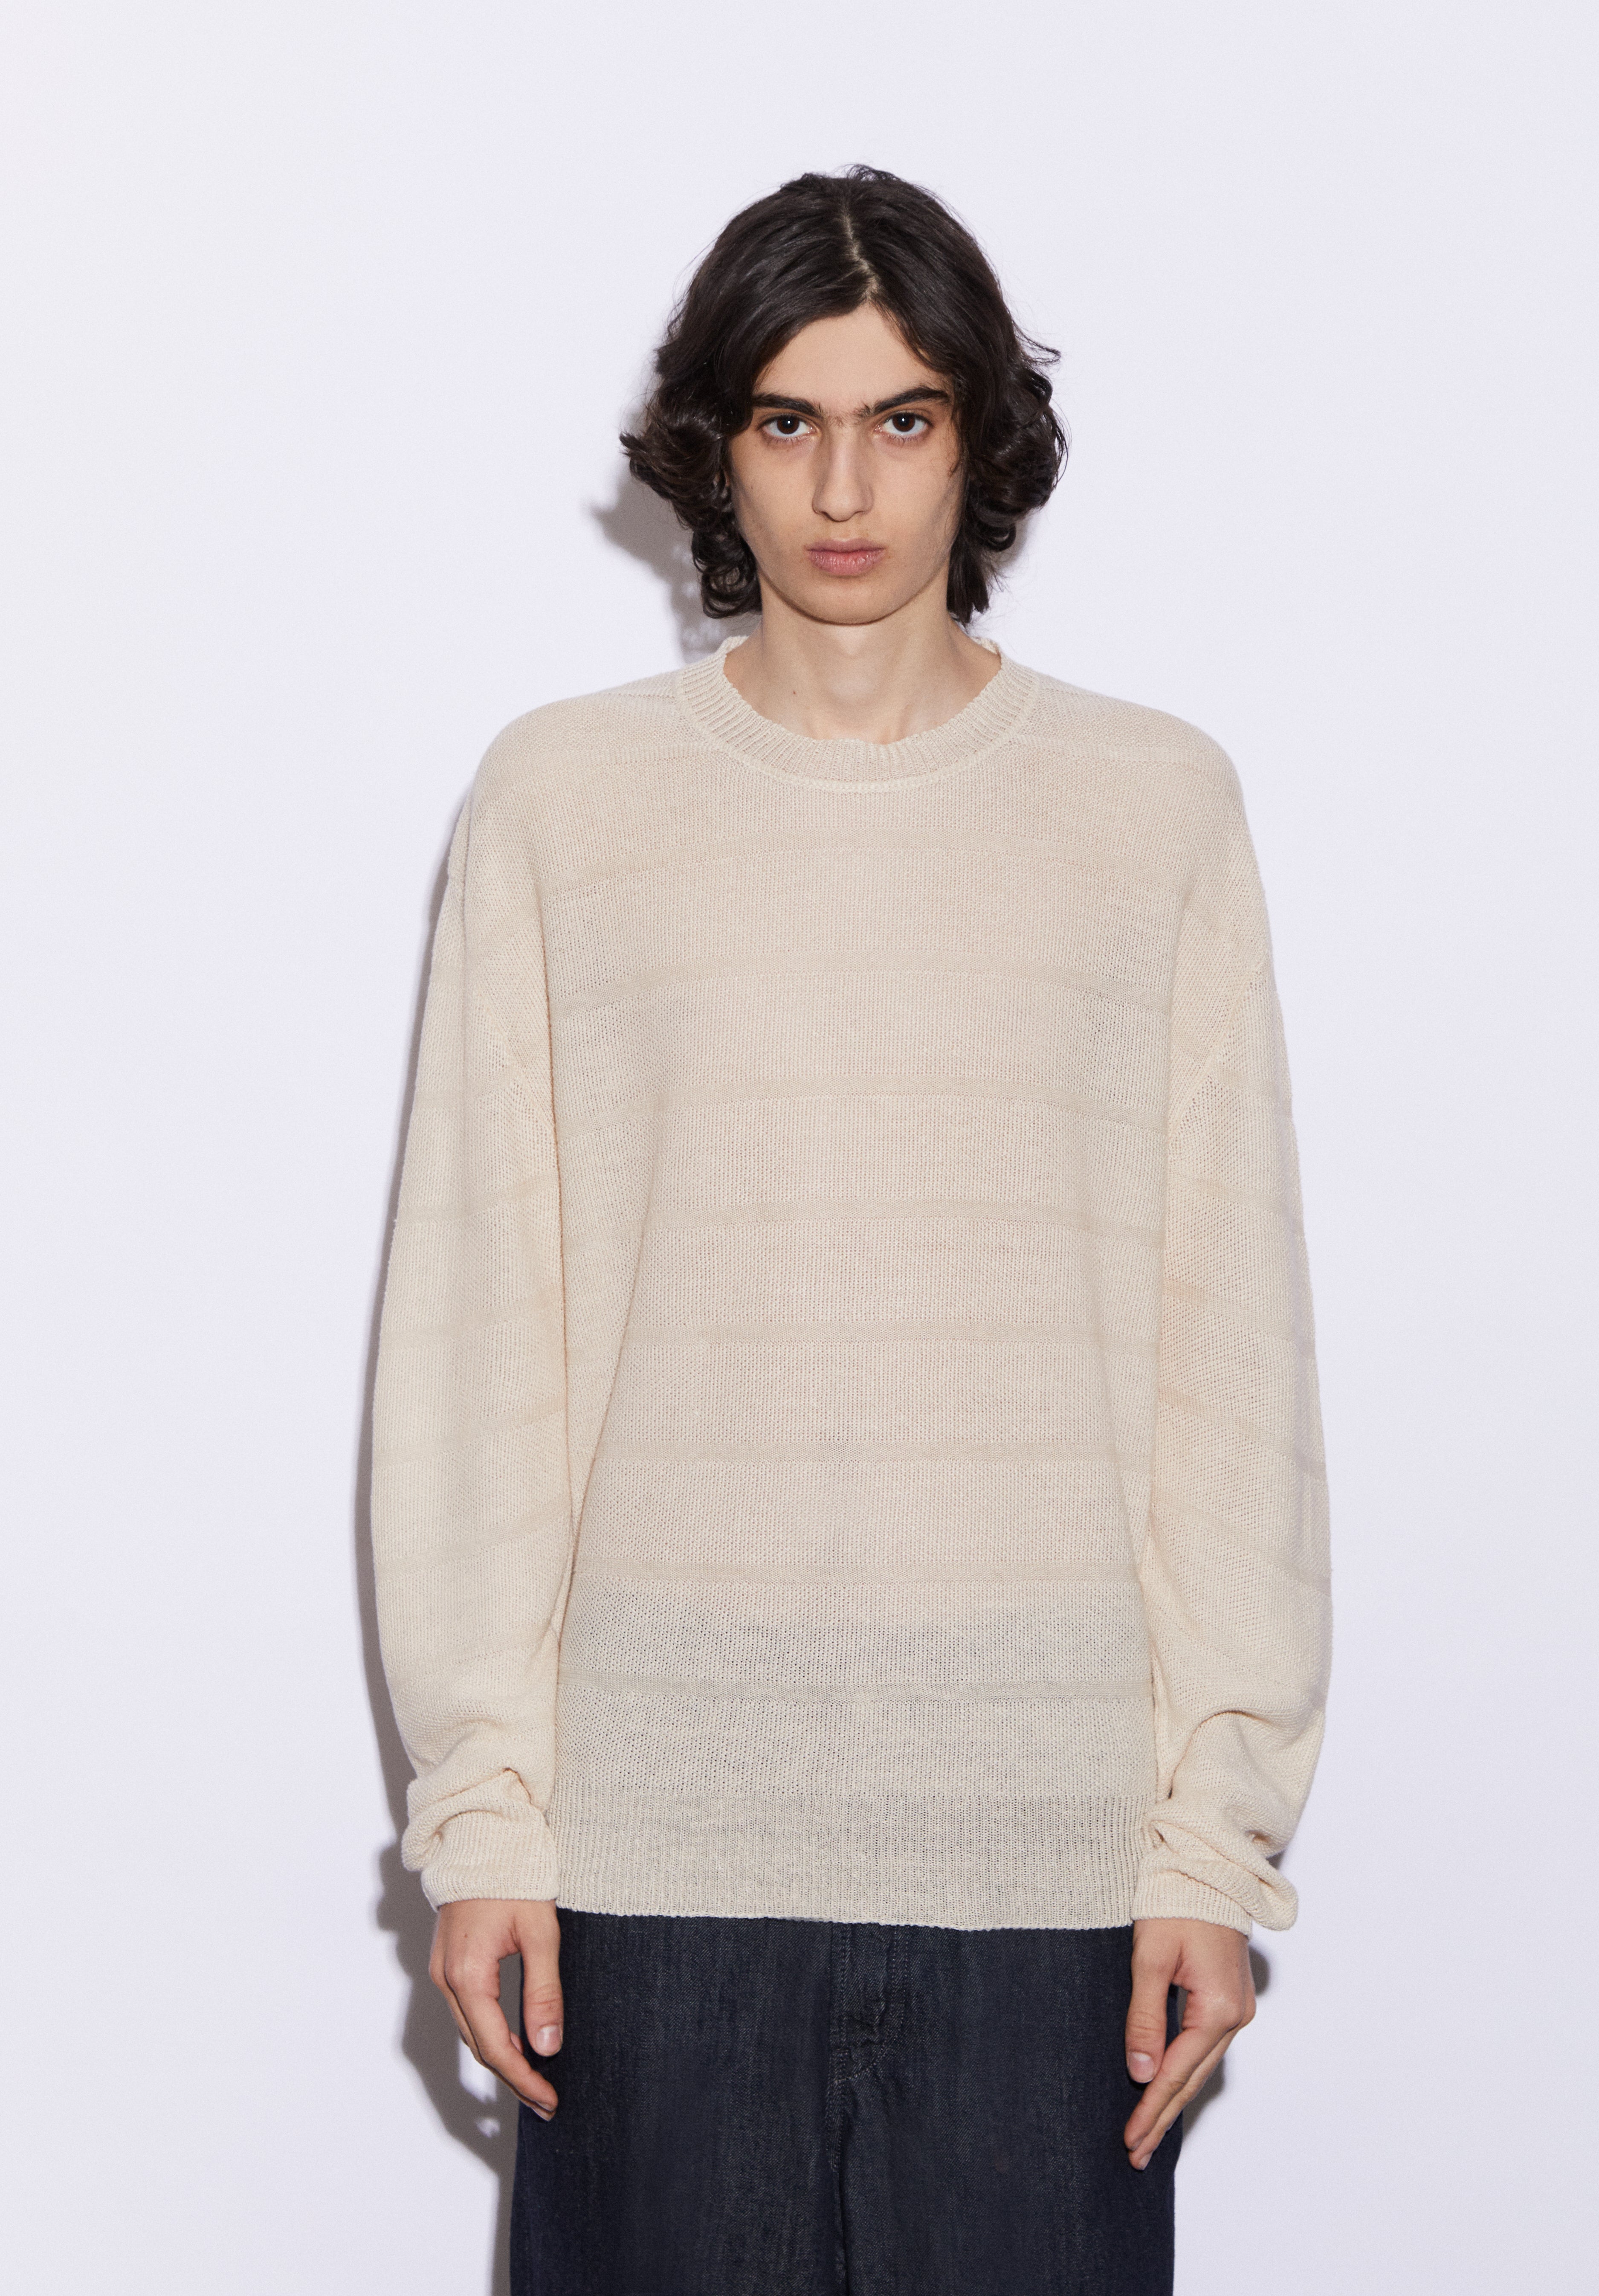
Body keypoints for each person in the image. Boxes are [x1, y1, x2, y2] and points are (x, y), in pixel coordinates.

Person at [371, 164, 1331, 2296]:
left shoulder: (1151, 807)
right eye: (786, 419)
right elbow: (480, 1331)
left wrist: (1208, 1838)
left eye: (901, 418)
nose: (841, 486)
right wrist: (487, 1814)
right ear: (714, 444)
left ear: (977, 438)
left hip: (1051, 1865)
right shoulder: (562, 802)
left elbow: (1228, 1345)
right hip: (646, 1862)